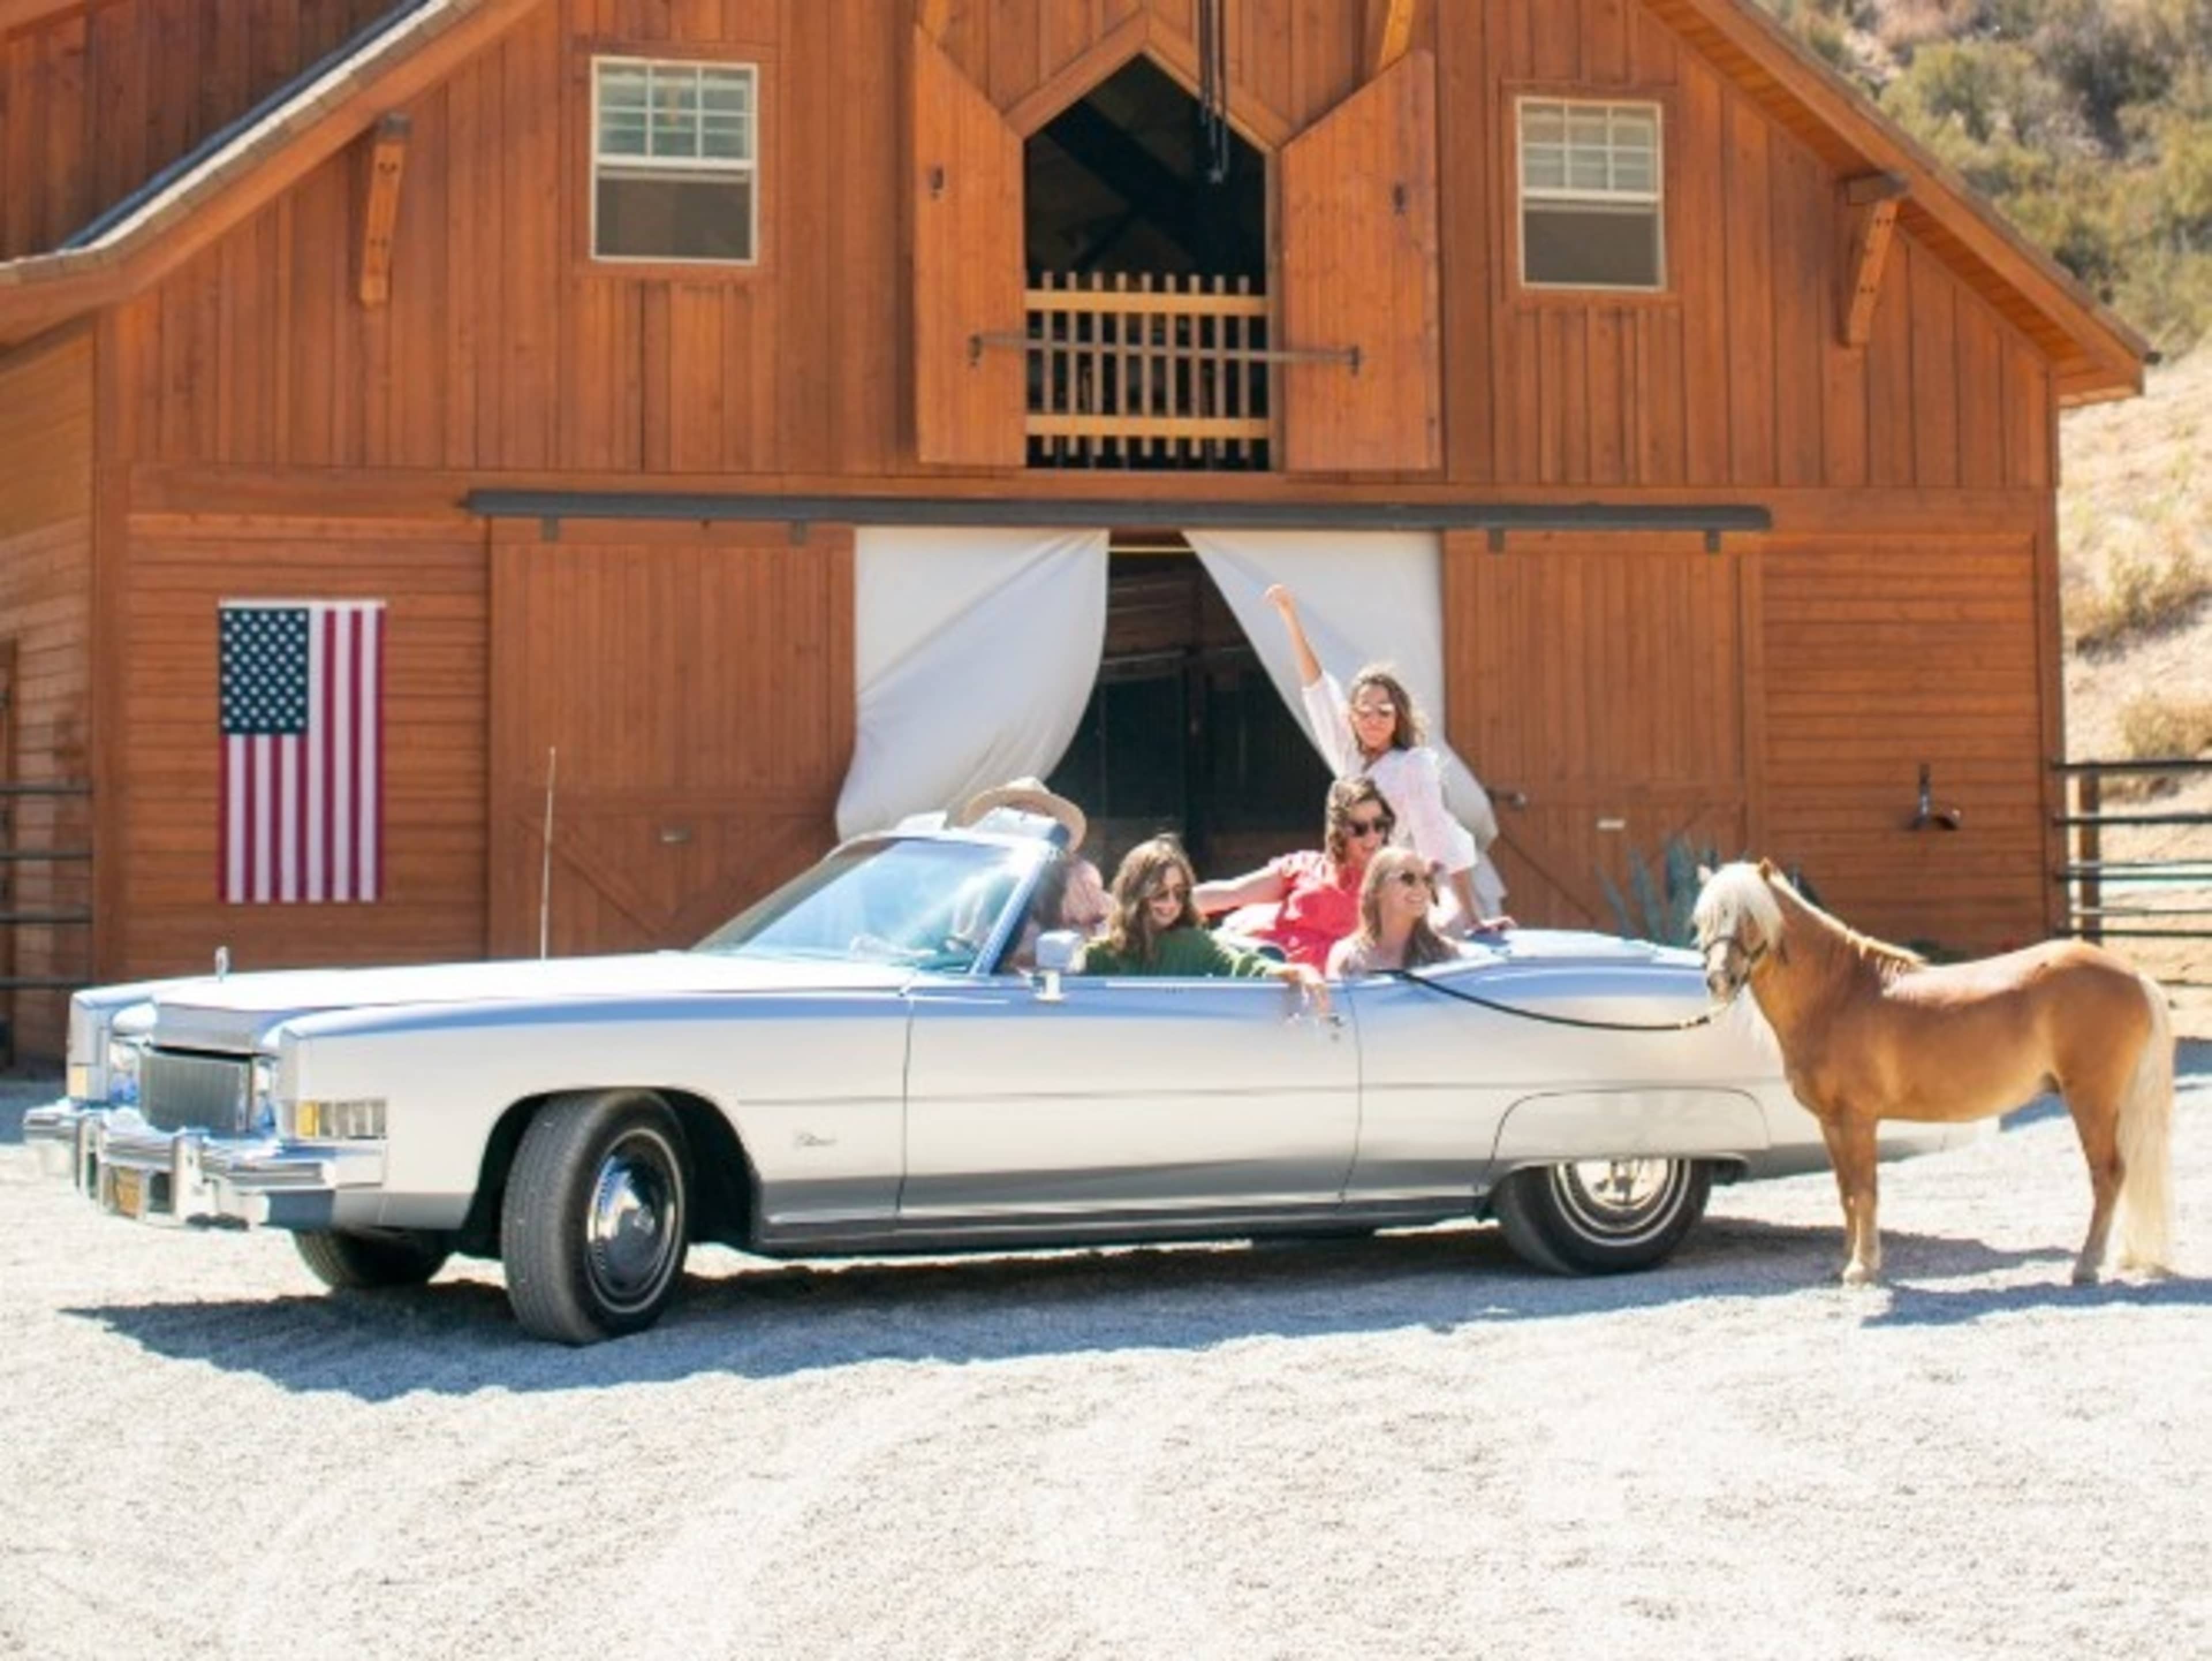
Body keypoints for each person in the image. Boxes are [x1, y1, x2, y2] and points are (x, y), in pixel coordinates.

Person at [1264, 584, 1496, 937]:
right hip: (1340, 878)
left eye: (1384, 711)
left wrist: (1470, 914)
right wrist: (1290, 618)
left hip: (1388, 884)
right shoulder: (1347, 754)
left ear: (1398, 716)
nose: (1374, 719)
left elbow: (1439, 836)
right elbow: (1317, 689)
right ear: (1352, 717)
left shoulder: (1413, 766)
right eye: (1365, 711)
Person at [1081, 836, 1329, 1011]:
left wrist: (1296, 970)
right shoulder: (1103, 952)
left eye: (1179, 893)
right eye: (1160, 893)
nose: (1170, 904)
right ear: (1135, 893)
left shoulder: (1193, 943)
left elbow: (1238, 963)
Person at [1192, 777, 1395, 969]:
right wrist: (1170, 905)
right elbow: (1232, 892)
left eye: (1380, 825)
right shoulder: (1306, 866)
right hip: (1262, 968)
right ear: (1339, 830)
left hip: (1335, 989)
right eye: (1360, 829)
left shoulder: (1393, 881)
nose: (1373, 837)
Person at [952, 777, 1109, 971]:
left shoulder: (1076, 878)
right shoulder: (979, 884)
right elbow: (964, 949)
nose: (1024, 826)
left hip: (1060, 988)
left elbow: (1100, 934)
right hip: (992, 988)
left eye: (1035, 820)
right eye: (1015, 816)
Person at [1327, 848, 1512, 978]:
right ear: (1377, 890)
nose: (1421, 888)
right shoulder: (1347, 957)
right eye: (1408, 878)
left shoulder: (1444, 953)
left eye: (1426, 880)